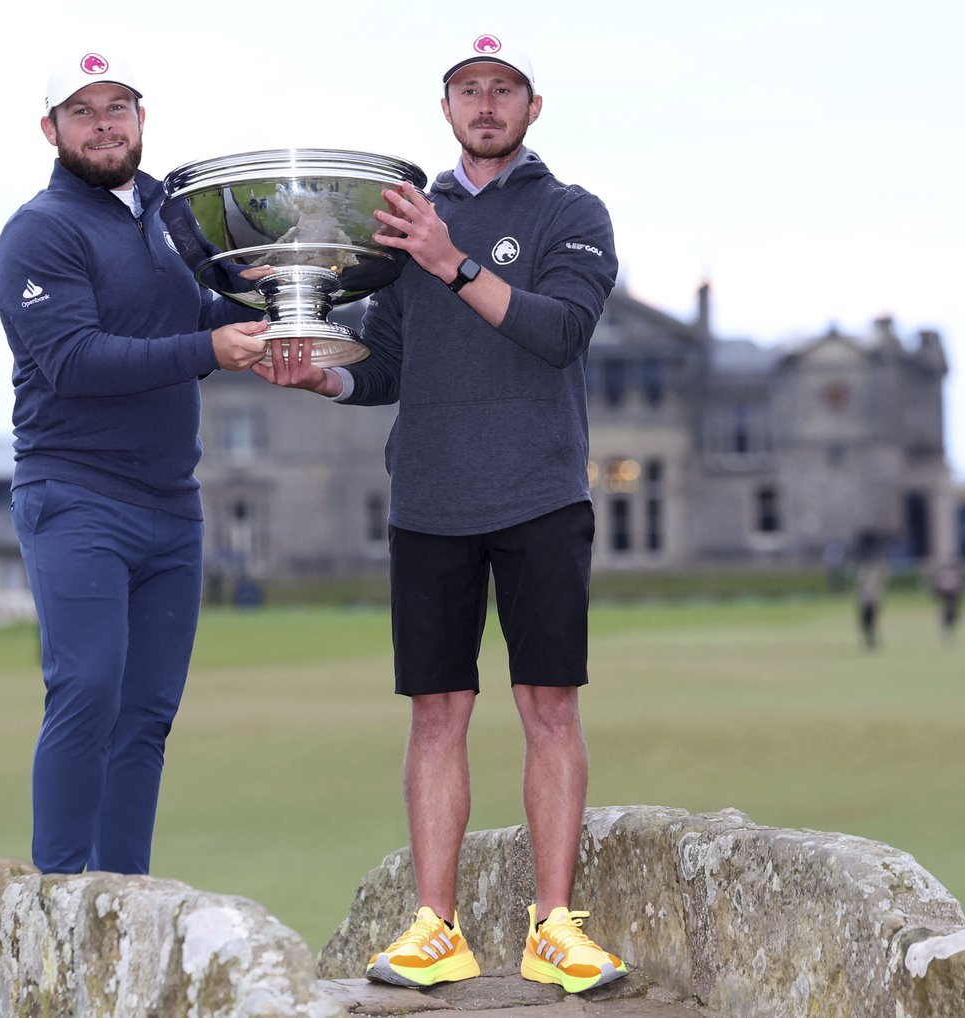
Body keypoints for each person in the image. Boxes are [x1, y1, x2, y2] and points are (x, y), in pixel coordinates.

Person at [256, 34, 625, 994]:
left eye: (504, 89)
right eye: (468, 89)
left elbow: (560, 332)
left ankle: (553, 929)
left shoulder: (570, 211)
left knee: (548, 708)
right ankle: (437, 929)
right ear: (447, 107)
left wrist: (452, 260)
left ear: (533, 107)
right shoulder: (401, 219)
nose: (486, 103)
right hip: (429, 501)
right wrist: (316, 377)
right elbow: (383, 370)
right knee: (436, 713)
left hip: (541, 495)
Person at [0, 48, 270, 876]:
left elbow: (201, 305)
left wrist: (278, 300)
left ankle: (123, 899)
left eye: (118, 106)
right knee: (87, 690)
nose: (104, 123)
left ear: (143, 118)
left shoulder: (171, 212)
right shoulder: (38, 232)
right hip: (75, 494)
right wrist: (211, 349)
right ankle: (60, 900)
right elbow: (76, 359)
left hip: (171, 504)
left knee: (146, 713)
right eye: (83, 110)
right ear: (51, 129)